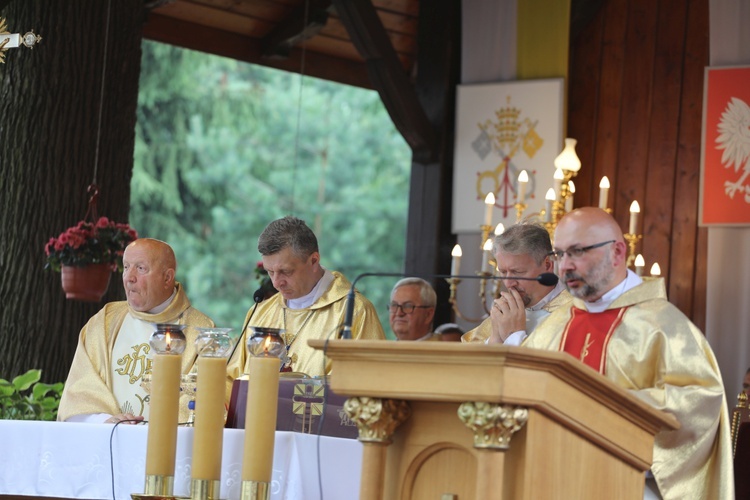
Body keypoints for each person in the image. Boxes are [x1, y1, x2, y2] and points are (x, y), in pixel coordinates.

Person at [523, 207, 733, 499]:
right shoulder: (552, 329)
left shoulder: (665, 327)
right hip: (551, 479)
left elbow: (699, 404)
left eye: (577, 252)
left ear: (618, 252)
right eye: (559, 254)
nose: (565, 267)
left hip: (628, 485)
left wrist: (606, 407)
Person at [58, 238, 215, 424]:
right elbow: (78, 394)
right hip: (106, 441)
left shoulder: (201, 331)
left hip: (164, 447)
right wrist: (107, 421)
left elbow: (201, 402)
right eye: (126, 267)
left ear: (167, 277)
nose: (129, 277)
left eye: (141, 269)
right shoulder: (105, 322)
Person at [226, 216, 385, 387]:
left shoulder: (353, 312)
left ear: (314, 261)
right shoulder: (260, 312)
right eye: (270, 272)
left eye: (285, 271)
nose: (276, 283)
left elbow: (367, 385)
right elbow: (233, 381)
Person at [462, 223, 570, 345]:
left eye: (518, 272)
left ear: (548, 265)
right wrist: (495, 339)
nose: (508, 283)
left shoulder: (572, 312)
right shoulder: (506, 313)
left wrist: (513, 336)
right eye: (502, 272)